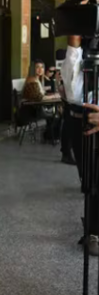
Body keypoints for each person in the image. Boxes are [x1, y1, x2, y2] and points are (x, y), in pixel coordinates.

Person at [63, 35, 99, 255]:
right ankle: (93, 230)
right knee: (90, 179)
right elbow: (73, 94)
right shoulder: (84, 52)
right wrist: (74, 45)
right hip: (81, 123)